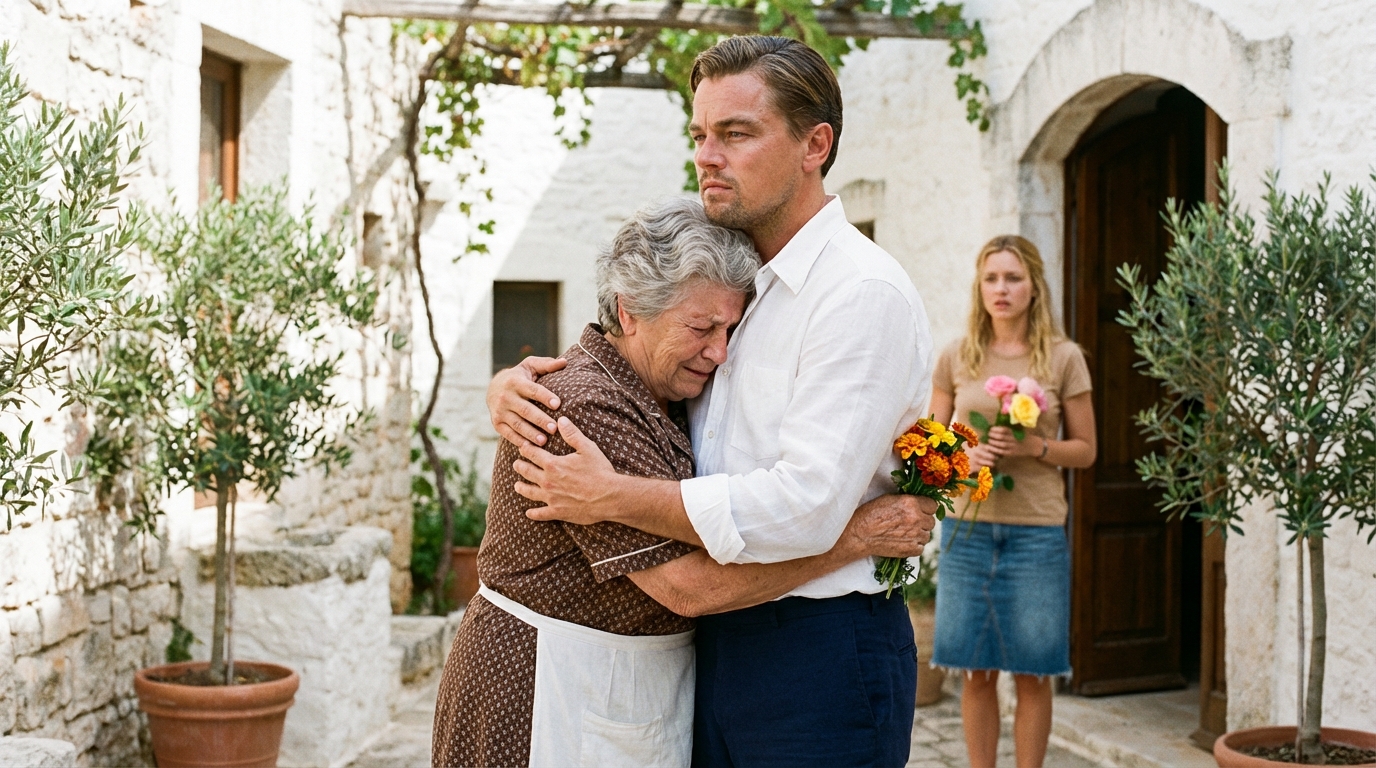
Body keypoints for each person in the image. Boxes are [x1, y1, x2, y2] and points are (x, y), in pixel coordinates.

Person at [488, 36, 935, 767]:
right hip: (715, 645)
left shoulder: (858, 292)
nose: (707, 155)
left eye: (736, 133)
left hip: (819, 652)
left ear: (813, 144)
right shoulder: (731, 272)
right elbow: (630, 364)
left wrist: (616, 497)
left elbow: (806, 505)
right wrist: (517, 386)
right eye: (700, 134)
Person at [926, 234, 1097, 768]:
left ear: (1034, 286)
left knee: (1032, 672)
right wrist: (961, 456)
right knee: (975, 672)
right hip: (967, 531)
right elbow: (931, 441)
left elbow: (1087, 451)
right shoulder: (957, 355)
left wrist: (1035, 446)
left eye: (1013, 278)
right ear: (979, 288)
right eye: (992, 278)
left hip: (1037, 535)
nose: (1002, 289)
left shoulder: (1064, 358)